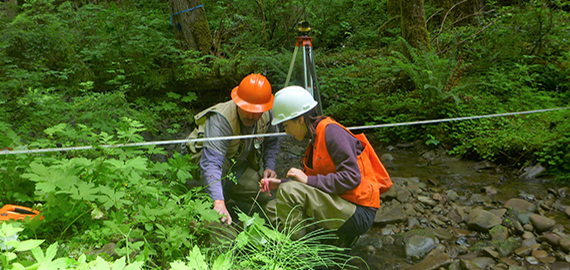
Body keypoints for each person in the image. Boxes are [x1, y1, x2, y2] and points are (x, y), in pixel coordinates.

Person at [262, 85, 392, 245]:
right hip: (341, 202)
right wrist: (280, 183)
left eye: (286, 125)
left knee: (288, 192)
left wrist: (302, 182)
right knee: (273, 208)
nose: (286, 132)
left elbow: (352, 178)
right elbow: (309, 184)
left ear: (300, 119)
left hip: (359, 210)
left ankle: (299, 256)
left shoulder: (332, 132)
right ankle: (327, 243)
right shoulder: (314, 140)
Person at [191, 73, 279, 225]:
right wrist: (218, 200)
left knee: (266, 195)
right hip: (205, 163)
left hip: (237, 166)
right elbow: (211, 164)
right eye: (247, 109)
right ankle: (210, 203)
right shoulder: (221, 119)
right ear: (238, 103)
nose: (251, 115)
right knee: (214, 198)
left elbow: (272, 141)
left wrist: (269, 166)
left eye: (256, 111)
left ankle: (228, 199)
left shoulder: (267, 113)